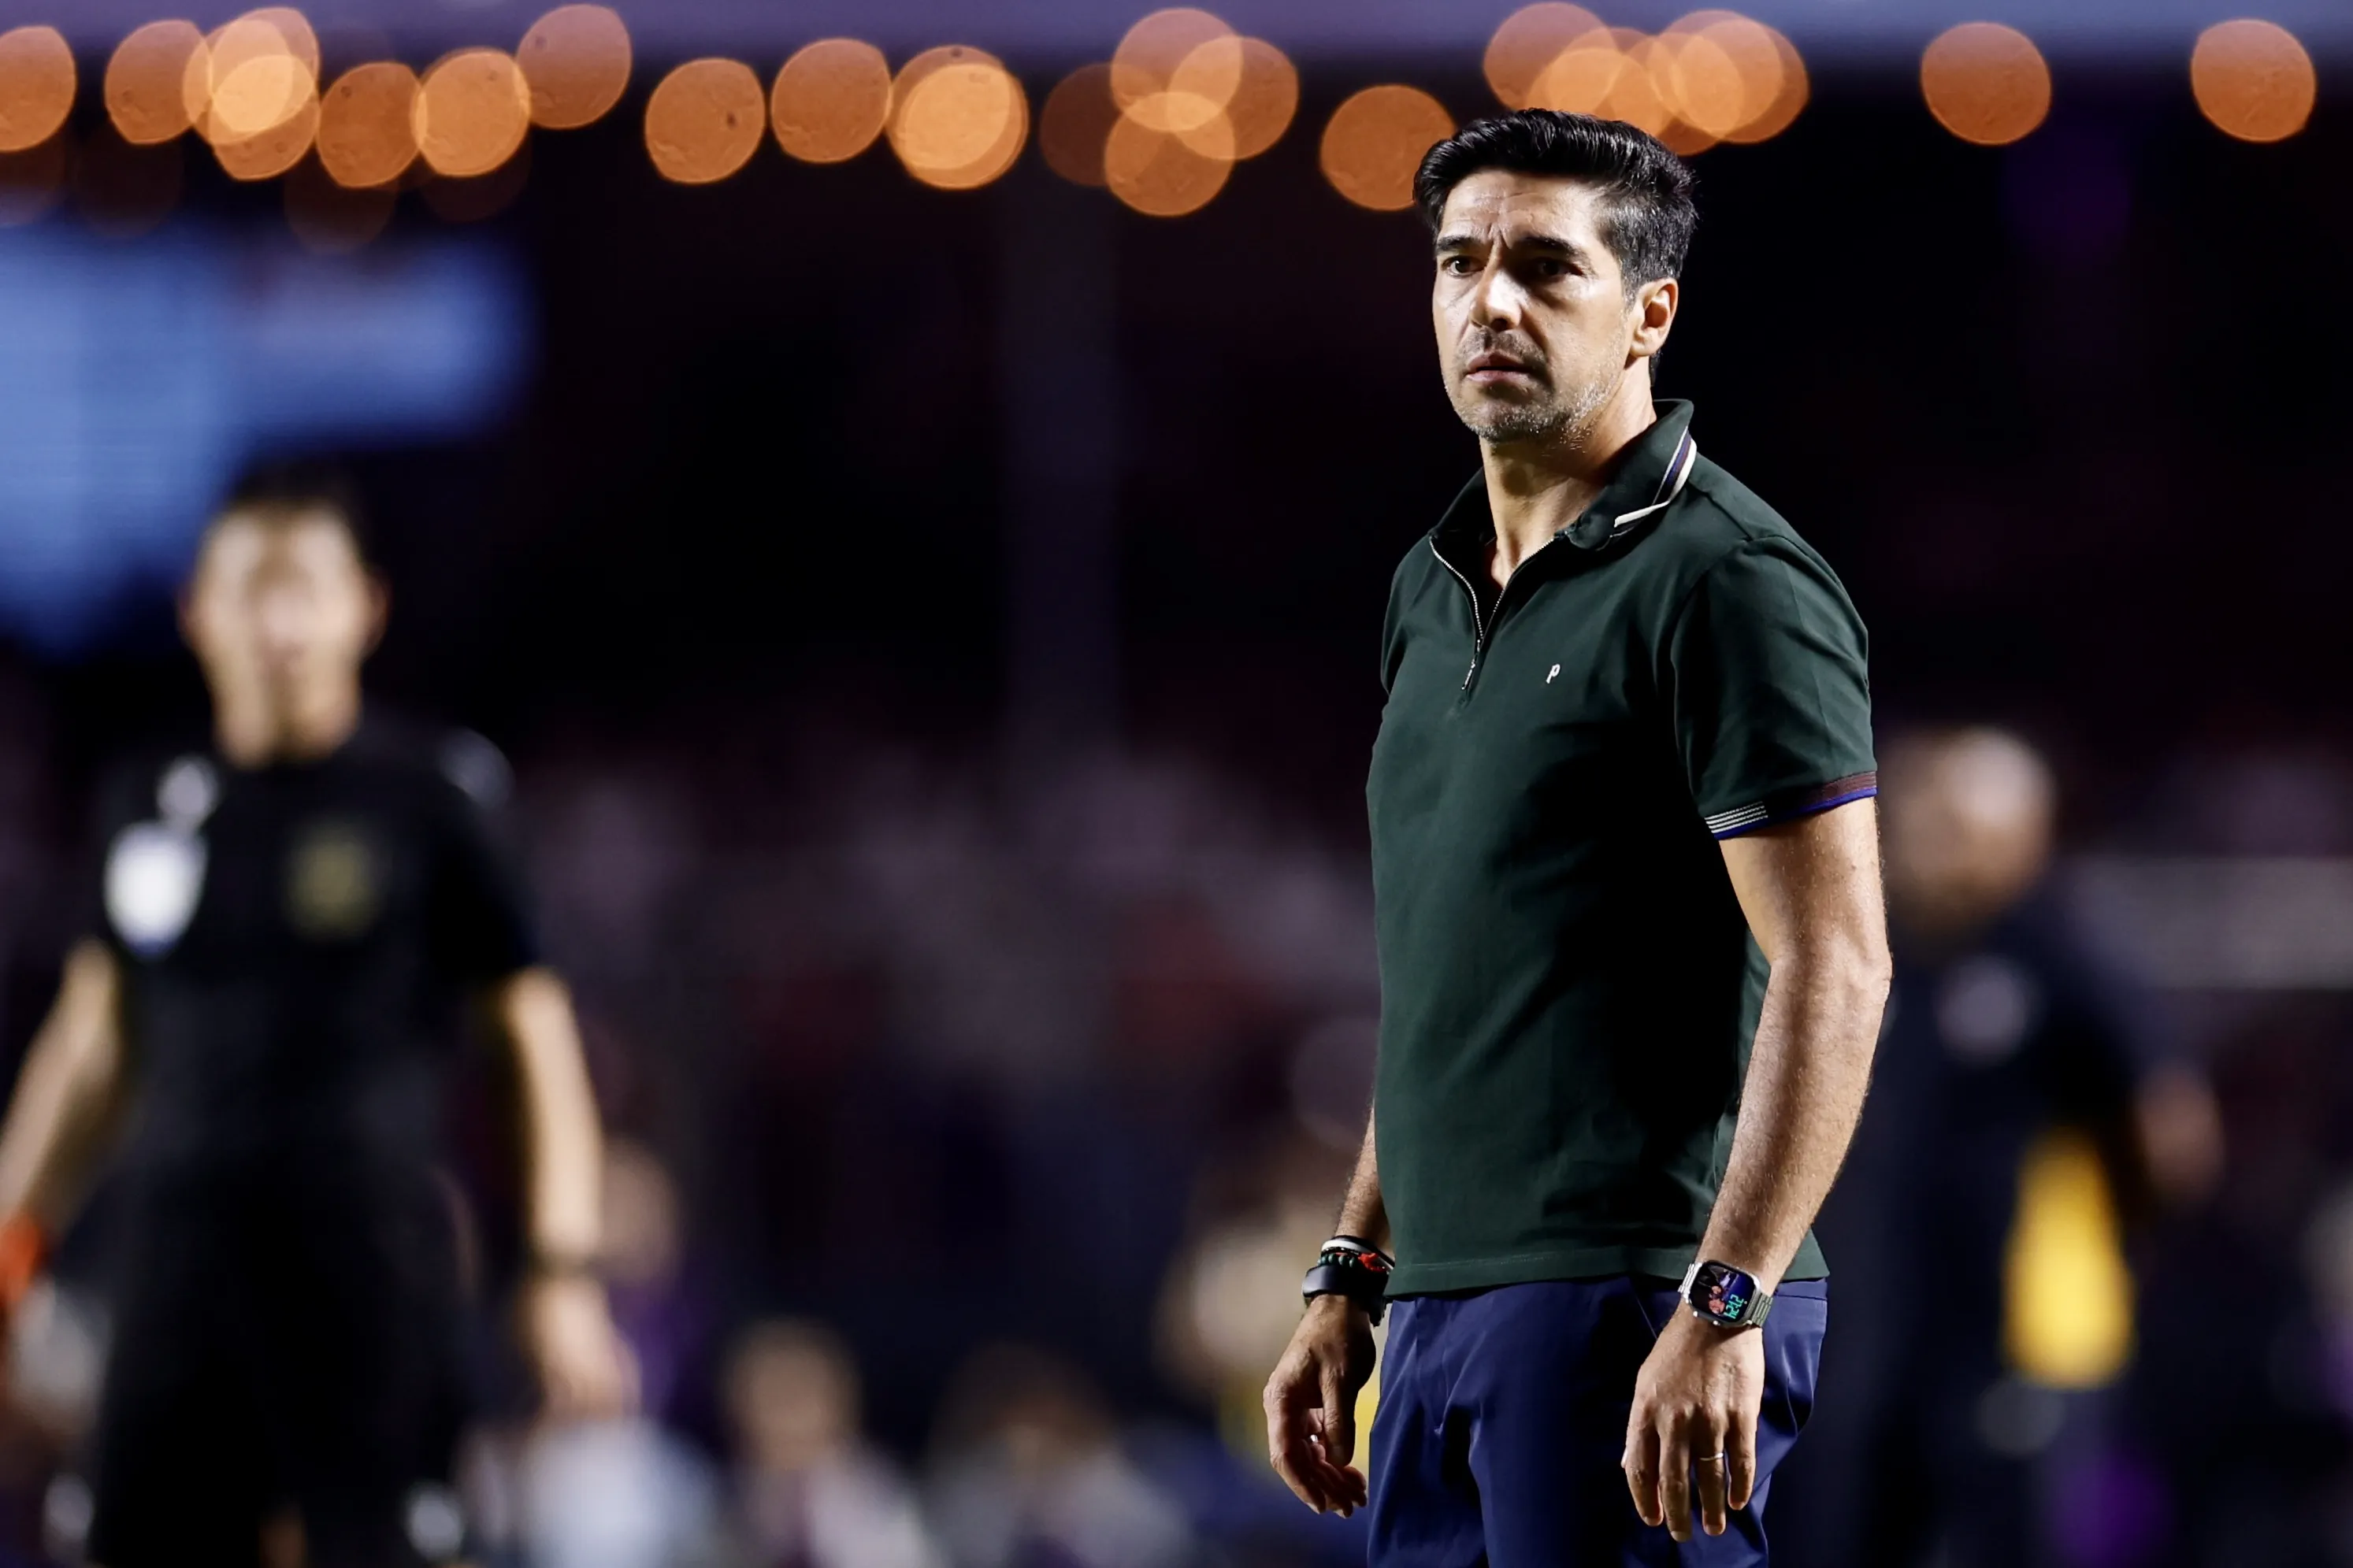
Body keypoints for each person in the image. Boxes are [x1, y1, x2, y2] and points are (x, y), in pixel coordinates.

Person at [1261, 111, 1891, 1565]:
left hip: (1635, 1291)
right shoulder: (1427, 592)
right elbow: (1453, 981)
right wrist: (1354, 1266)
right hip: (1440, 1304)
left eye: (1546, 268)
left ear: (1648, 312)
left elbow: (1838, 968)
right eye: (1459, 262)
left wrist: (1721, 1300)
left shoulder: (1729, 581)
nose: (1490, 301)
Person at [0, 468, 633, 1566]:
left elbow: (532, 1042)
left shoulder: (432, 798)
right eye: (249, 589)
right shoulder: (148, 801)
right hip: (177, 1261)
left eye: (305, 588)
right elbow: (92, 1042)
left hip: (365, 1262)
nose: (277, 622)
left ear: (365, 609)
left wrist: (559, 1268)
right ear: (198, 612)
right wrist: (8, 1243)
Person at [1773, 727, 2221, 1568]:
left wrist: (2115, 1245)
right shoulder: (1881, 952)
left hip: (2025, 1326)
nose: (1921, 843)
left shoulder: (2061, 954)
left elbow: (2171, 1132)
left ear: (2019, 835)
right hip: (1881, 1325)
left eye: (1950, 823)